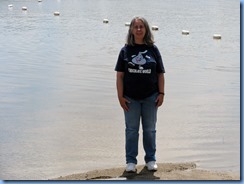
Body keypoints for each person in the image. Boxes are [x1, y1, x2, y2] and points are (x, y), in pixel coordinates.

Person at [115, 16, 165, 172]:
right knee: (131, 131)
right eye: (135, 27)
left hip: (151, 97)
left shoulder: (153, 49)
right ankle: (131, 162)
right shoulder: (125, 50)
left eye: (141, 27)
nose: (138, 29)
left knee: (150, 130)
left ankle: (150, 159)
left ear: (146, 29)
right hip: (130, 98)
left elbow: (160, 74)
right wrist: (120, 97)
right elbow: (120, 76)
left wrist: (162, 93)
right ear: (131, 30)